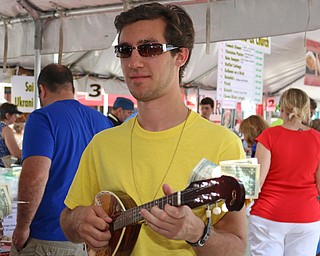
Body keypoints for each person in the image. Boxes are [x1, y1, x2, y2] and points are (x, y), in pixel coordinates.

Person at [60, 3, 247, 256]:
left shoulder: (227, 143)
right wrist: (78, 220)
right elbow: (67, 220)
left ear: (180, 55)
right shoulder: (101, 143)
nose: (134, 62)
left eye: (149, 49)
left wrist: (197, 233)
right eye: (125, 50)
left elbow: (237, 247)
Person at [10, 64, 114, 256]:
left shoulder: (42, 118)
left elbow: (35, 176)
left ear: (42, 90)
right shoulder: (103, 121)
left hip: (46, 237)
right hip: (89, 238)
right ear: (72, 89)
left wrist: (21, 227)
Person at [249, 88, 320, 255]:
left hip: (269, 214)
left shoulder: (269, 136)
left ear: (282, 107)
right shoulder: (318, 139)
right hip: (307, 215)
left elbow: (257, 182)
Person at [0, 103, 22, 167]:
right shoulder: (6, 130)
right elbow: (16, 153)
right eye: (15, 115)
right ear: (8, 115)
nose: (16, 117)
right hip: (2, 168)